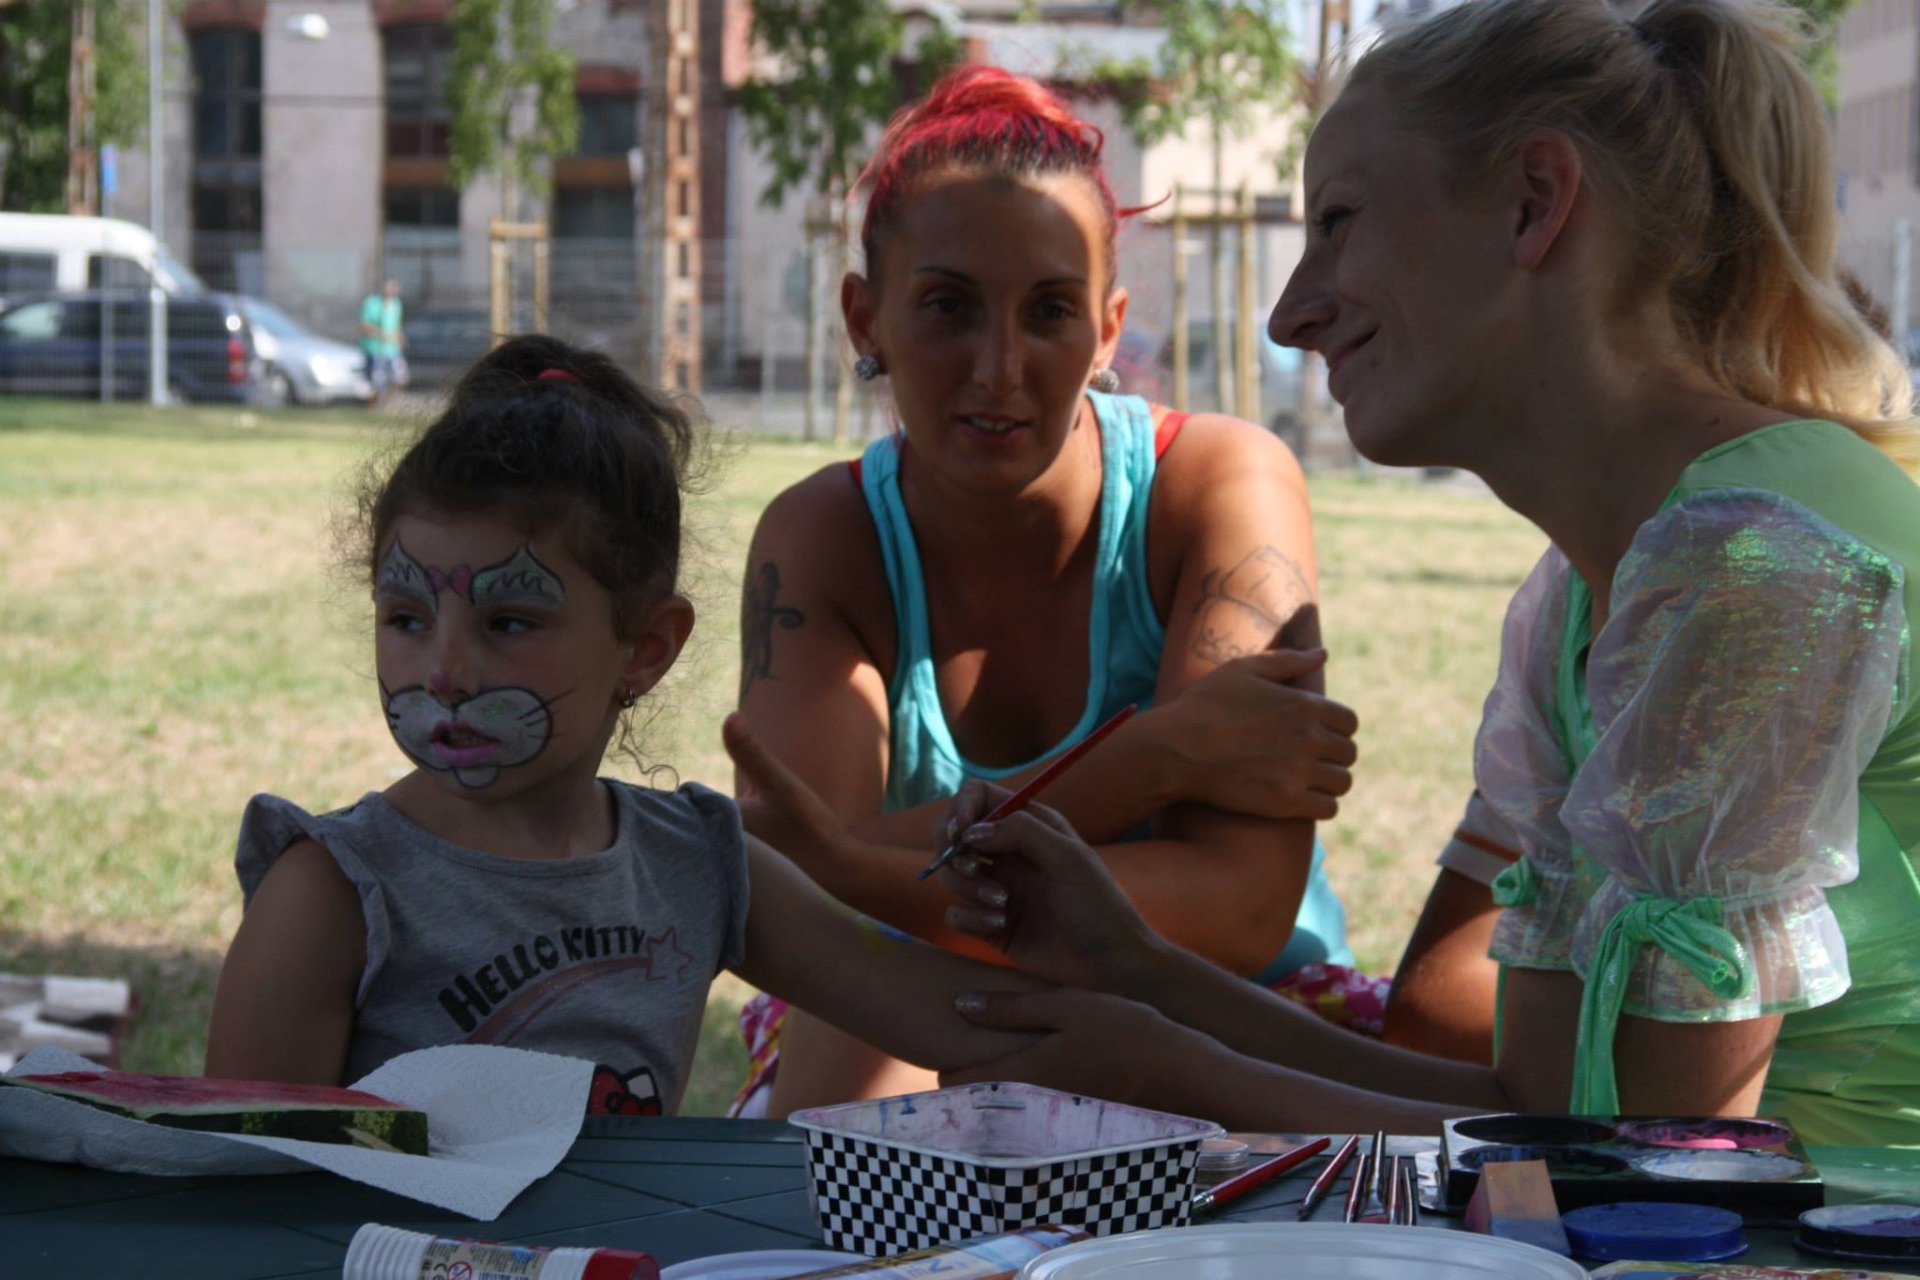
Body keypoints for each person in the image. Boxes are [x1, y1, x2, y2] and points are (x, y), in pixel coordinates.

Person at [926, 0, 1920, 1146]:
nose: (1293, 314)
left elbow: (1653, 1175)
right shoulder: (1579, 598)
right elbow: (1535, 1113)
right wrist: (1139, 971)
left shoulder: (1759, 559)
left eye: (1339, 222)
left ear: (1534, 203)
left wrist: (1180, 1068)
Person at [729, 65, 1367, 1116]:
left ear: (1109, 330)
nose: (998, 367)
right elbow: (811, 909)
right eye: (948, 306)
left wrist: (874, 867)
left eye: (1050, 311)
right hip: (917, 1002)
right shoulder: (825, 537)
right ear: (864, 317)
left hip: (1225, 1015)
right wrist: (1159, 755)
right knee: (850, 1070)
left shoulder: (1217, 485)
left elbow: (1243, 911)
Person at [202, 334, 1059, 1112]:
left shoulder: (696, 865)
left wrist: (1105, 958)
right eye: (405, 618)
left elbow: (970, 1020)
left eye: (509, 621)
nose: (444, 672)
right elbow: (235, 1188)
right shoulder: (333, 896)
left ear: (647, 648)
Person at [359, 279, 406, 407]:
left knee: (400, 378)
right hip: (375, 349)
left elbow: (395, 326)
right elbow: (364, 326)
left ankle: (388, 404)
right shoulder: (371, 303)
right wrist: (381, 335)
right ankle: (372, 407)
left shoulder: (396, 304)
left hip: (392, 349)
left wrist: (400, 337)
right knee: (376, 383)